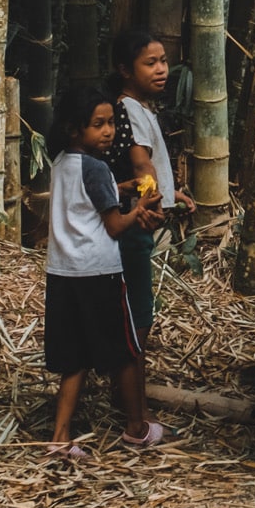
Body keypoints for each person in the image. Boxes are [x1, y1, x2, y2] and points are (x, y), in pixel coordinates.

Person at [45, 85, 166, 457]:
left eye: (111, 123)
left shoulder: (62, 163)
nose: (109, 131)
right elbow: (115, 225)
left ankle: (59, 439)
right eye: (98, 125)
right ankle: (136, 427)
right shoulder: (97, 168)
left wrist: (123, 187)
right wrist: (140, 205)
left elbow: (91, 194)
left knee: (76, 358)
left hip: (63, 273)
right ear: (74, 129)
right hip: (99, 272)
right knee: (126, 352)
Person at [108, 28, 196, 346]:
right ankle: (129, 382)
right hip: (134, 220)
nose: (160, 69)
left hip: (136, 215)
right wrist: (152, 205)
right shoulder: (129, 108)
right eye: (150, 63)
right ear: (125, 70)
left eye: (163, 61)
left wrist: (170, 193)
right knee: (139, 312)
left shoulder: (140, 107)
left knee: (135, 305)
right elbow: (141, 167)